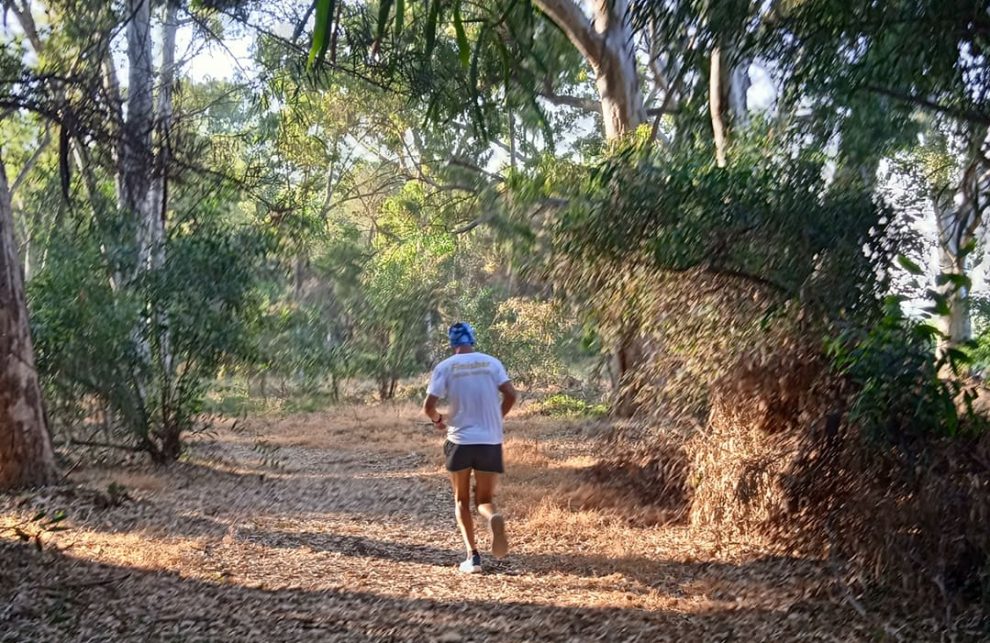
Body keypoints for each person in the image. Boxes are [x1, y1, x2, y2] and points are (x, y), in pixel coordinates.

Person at [423, 322, 517, 574]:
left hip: (460, 441)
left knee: (461, 500)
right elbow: (510, 395)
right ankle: (492, 517)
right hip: (490, 440)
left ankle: (472, 557)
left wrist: (438, 420)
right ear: (472, 339)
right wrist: (497, 417)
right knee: (484, 499)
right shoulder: (491, 363)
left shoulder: (445, 367)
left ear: (452, 343)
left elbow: (429, 406)